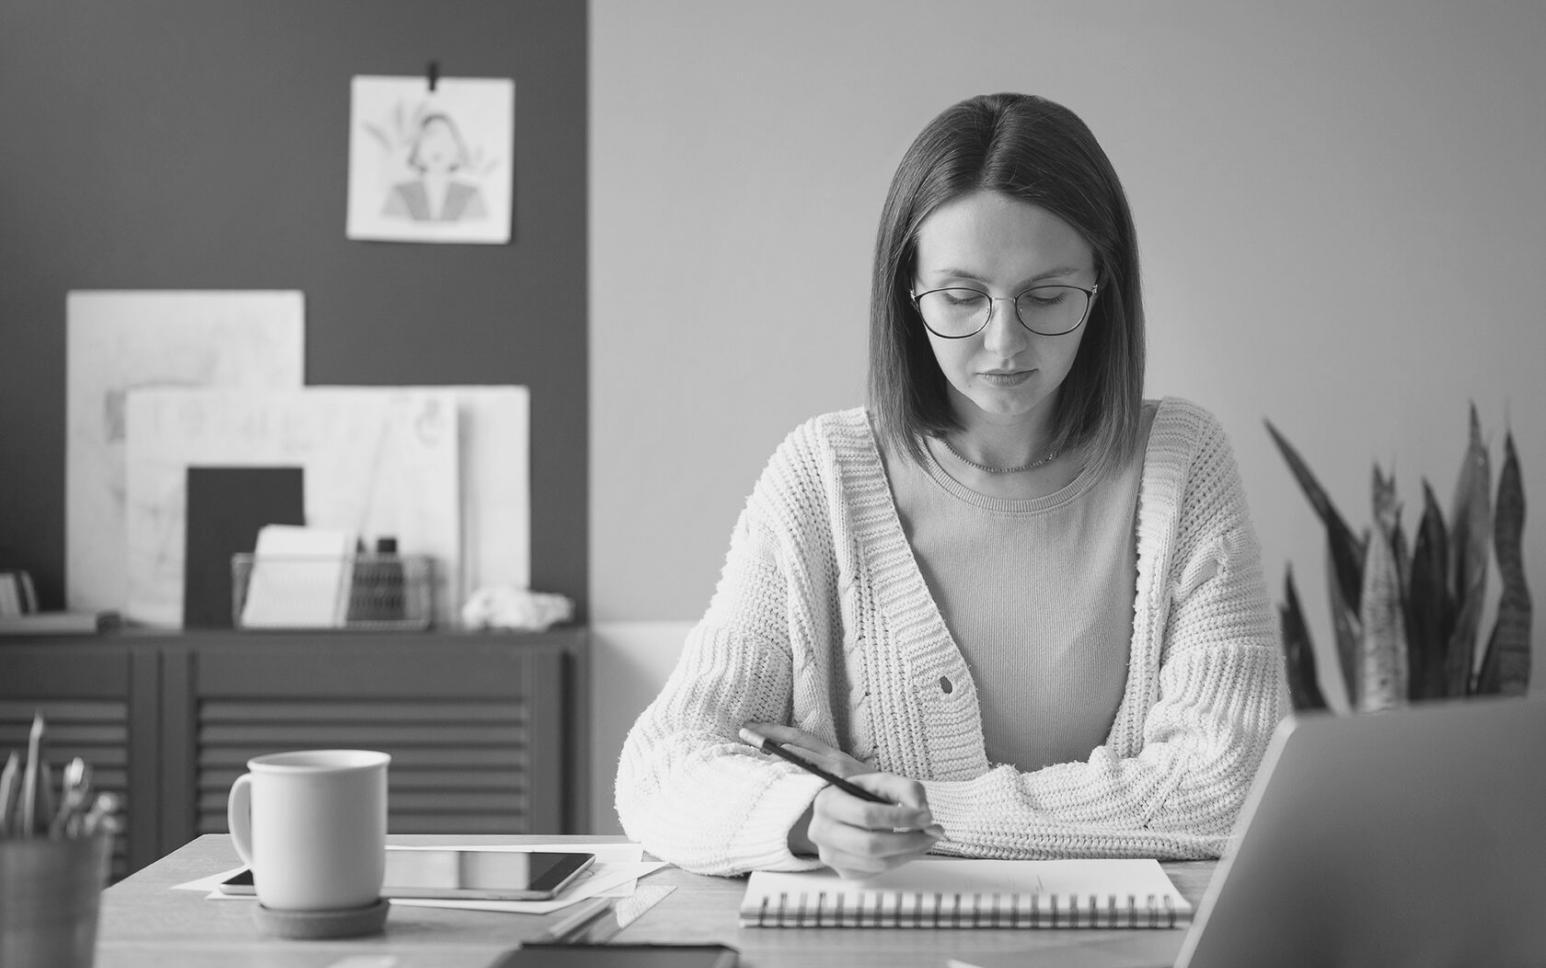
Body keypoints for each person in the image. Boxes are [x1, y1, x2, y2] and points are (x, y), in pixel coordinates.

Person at [615, 93, 1285, 879]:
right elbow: (664, 765)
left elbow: (1225, 784)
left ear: (1103, 288)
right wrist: (806, 818)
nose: (1004, 342)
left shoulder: (1182, 465)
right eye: (962, 297)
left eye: (1046, 297)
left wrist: (912, 806)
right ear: (908, 291)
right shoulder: (821, 476)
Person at [383, 112, 488, 223]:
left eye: (445, 140)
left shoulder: (471, 194)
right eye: (430, 139)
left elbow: (478, 227)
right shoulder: (400, 193)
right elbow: (388, 226)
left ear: (457, 148)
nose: (437, 148)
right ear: (417, 148)